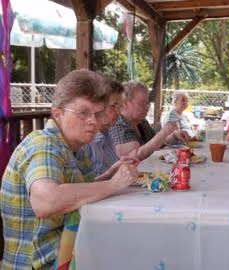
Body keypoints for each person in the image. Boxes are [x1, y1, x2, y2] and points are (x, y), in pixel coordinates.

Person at [0, 69, 139, 269]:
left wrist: (108, 176)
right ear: (58, 113)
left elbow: (77, 194)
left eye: (97, 113)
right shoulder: (44, 145)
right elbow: (47, 201)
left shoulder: (75, 149)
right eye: (83, 113)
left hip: (68, 254)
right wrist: (113, 184)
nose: (93, 120)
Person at [110, 81, 188, 160]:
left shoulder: (141, 122)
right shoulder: (118, 124)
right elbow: (133, 157)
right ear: (124, 103)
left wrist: (174, 135)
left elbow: (157, 143)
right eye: (141, 103)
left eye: (147, 103)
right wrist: (163, 132)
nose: (146, 107)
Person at [81, 77, 126, 177]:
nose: (118, 113)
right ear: (98, 106)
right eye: (113, 106)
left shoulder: (107, 134)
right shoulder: (86, 141)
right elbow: (87, 185)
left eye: (120, 107)